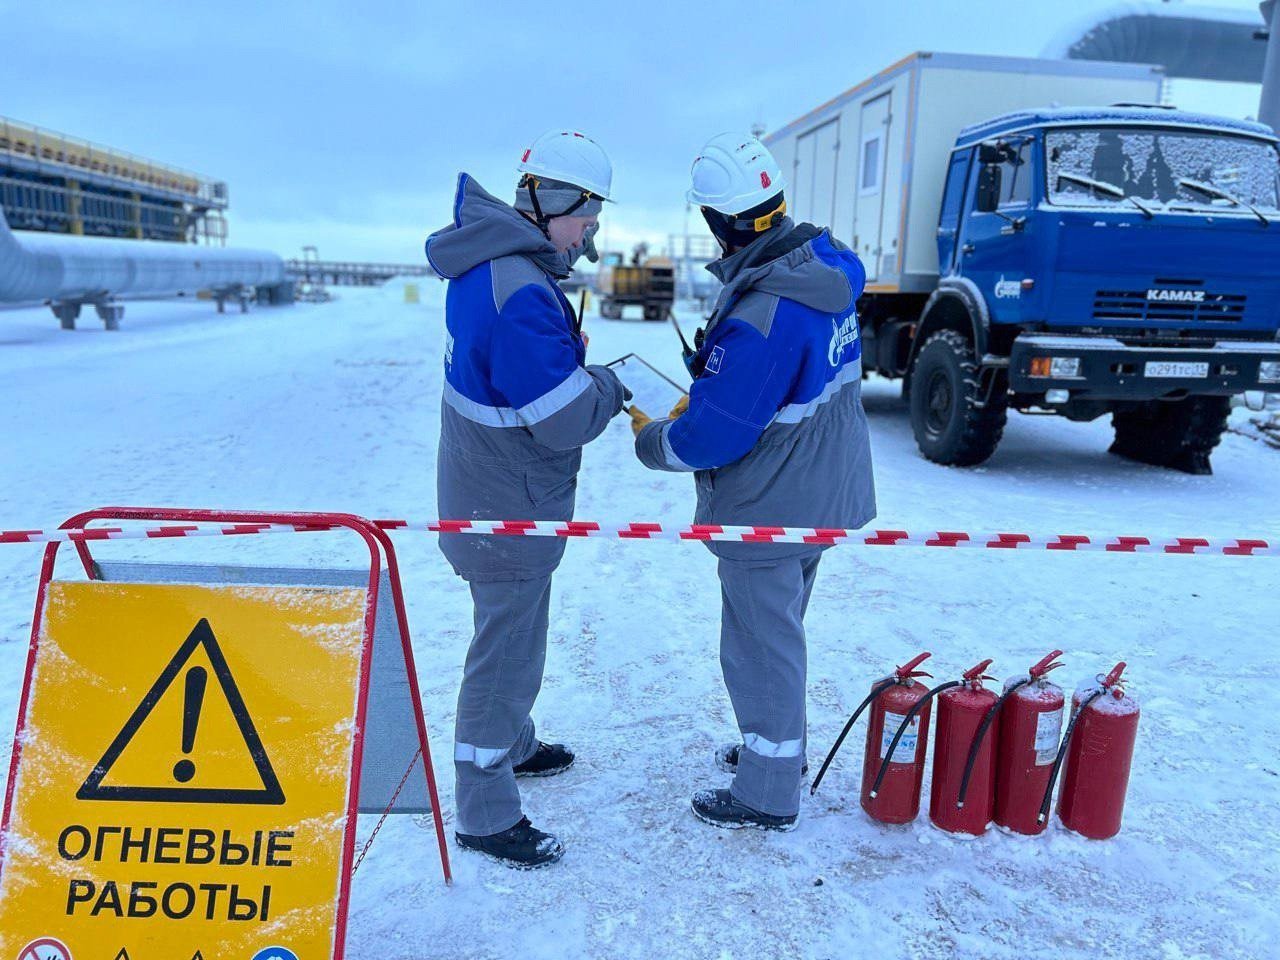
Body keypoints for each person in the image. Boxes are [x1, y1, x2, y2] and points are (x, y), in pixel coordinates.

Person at [632, 133, 876, 830]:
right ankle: (777, 752)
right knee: (779, 631)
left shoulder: (764, 314)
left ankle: (767, 790)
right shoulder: (820, 271)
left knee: (758, 645)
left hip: (770, 504)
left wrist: (655, 438)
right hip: (820, 492)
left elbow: (713, 436)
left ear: (716, 221)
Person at [425, 130, 628, 868]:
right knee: (504, 657)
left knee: (515, 638)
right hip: (503, 510)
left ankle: (512, 744)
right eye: (588, 218)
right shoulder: (520, 291)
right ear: (550, 203)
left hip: (495, 499)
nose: (591, 233)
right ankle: (483, 808)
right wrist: (613, 382)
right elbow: (566, 416)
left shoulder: (495, 267)